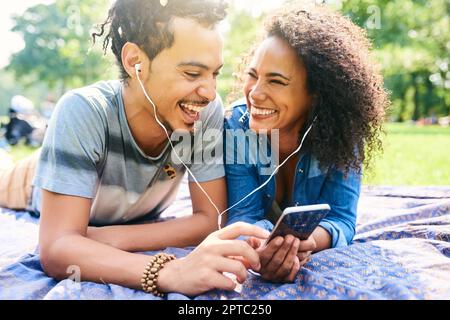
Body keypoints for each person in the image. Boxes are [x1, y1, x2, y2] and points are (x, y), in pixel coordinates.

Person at [0, 0, 269, 297]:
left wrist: (101, 238)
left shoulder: (204, 115)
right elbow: (56, 249)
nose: (208, 91)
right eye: (192, 74)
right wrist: (170, 271)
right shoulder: (84, 111)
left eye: (214, 74)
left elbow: (209, 220)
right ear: (134, 61)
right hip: (28, 179)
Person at [224, 4, 389, 283]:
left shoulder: (343, 133)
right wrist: (262, 249)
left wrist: (308, 242)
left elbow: (342, 220)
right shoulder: (238, 125)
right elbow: (243, 215)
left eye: (275, 81)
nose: (255, 93)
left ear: (315, 94)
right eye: (253, 75)